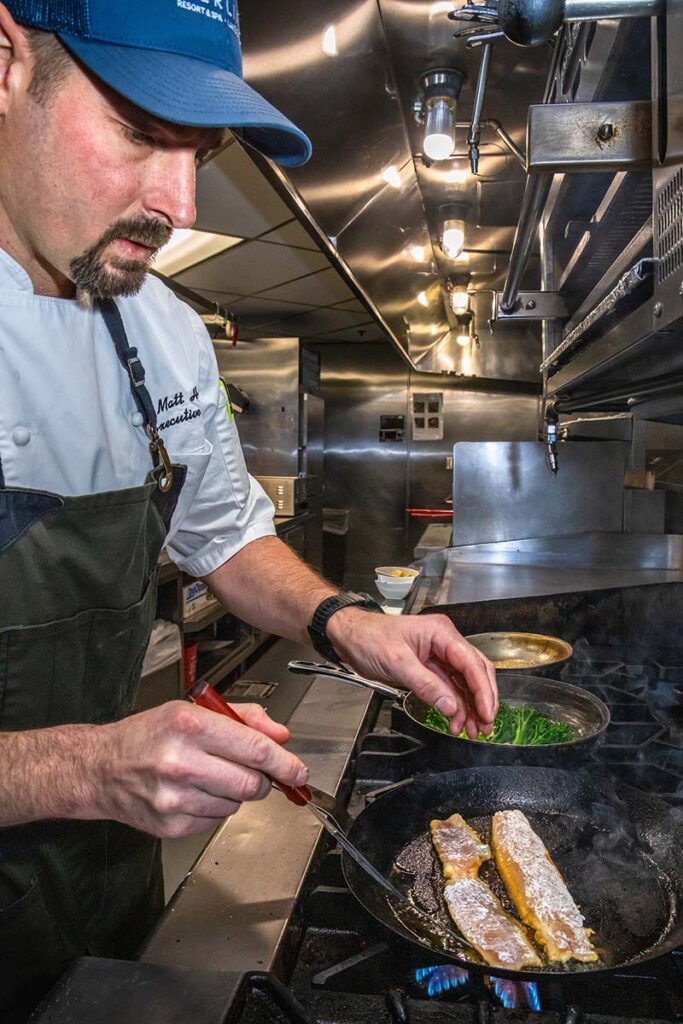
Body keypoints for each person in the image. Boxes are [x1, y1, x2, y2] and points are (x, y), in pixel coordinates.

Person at [0, 0, 498, 1018]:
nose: (180, 204)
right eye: (141, 131)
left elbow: (223, 535)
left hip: (103, 893)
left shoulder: (163, 334)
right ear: (7, 64)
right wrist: (75, 769)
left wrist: (346, 622)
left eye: (205, 152)